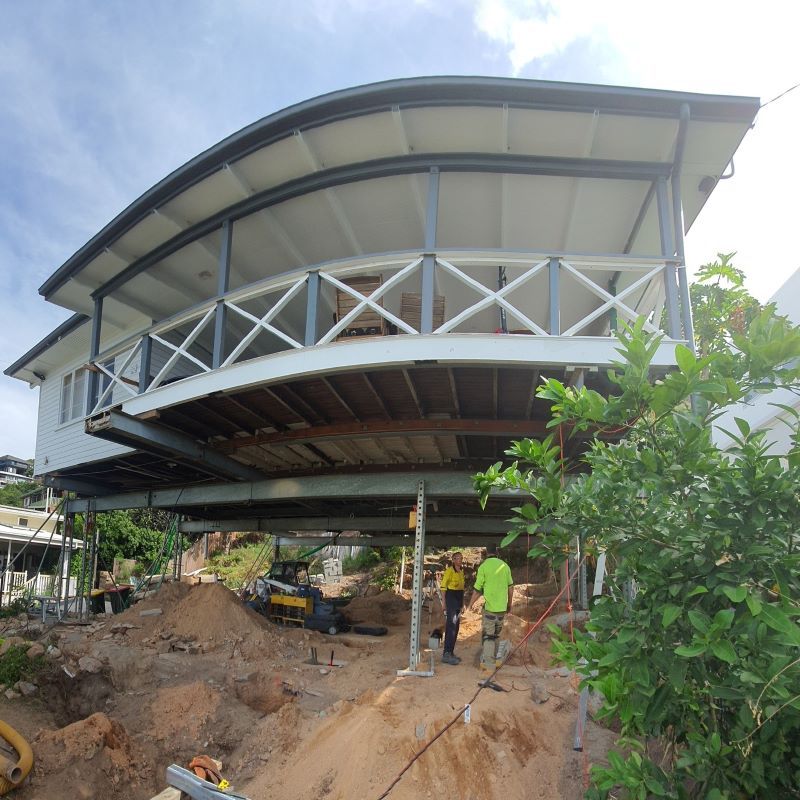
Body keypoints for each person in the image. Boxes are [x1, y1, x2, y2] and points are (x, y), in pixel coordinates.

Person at [468, 545, 513, 672]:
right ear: (497, 552)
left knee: (488, 636)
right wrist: (509, 604)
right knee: (496, 635)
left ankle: (489, 666)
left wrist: (470, 605)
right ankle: (495, 660)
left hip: (490, 610)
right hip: (502, 610)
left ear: (486, 553)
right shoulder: (505, 566)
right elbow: (511, 587)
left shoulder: (483, 567)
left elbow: (477, 590)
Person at [439, 551, 465, 665]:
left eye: (461, 558)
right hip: (451, 597)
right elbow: (443, 588)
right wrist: (444, 603)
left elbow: (462, 589)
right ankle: (446, 654)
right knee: (451, 625)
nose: (460, 560)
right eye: (458, 558)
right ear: (453, 560)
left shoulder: (461, 571)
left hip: (458, 598)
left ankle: (451, 652)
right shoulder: (449, 571)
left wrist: (462, 603)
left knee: (456, 626)